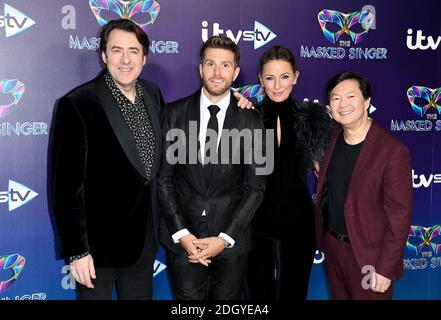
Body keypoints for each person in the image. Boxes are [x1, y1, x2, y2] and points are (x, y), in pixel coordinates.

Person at [50, 19, 164, 300]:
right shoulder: (77, 104)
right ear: (103, 55)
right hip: (96, 252)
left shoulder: (153, 94)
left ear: (144, 58)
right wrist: (78, 251)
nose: (125, 59)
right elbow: (65, 189)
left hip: (144, 243)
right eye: (116, 50)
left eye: (133, 51)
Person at [158, 35, 267, 300]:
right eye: (210, 64)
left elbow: (257, 188)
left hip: (232, 242)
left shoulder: (253, 120)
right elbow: (164, 179)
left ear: (236, 71)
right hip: (185, 241)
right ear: (200, 68)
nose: (217, 73)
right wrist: (183, 234)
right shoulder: (173, 114)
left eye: (226, 65)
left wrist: (224, 238)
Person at [315, 71, 413, 299]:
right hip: (333, 247)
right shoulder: (333, 137)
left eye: (351, 96)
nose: (343, 104)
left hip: (370, 257)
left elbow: (400, 215)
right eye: (335, 98)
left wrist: (385, 268)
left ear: (367, 101)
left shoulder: (392, 151)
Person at [245, 46, 331, 300]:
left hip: (298, 223)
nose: (278, 86)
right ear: (260, 79)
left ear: (296, 76)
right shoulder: (247, 116)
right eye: (270, 78)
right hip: (254, 223)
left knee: (294, 294)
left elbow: (323, 171)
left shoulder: (314, 118)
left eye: (284, 77)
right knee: (257, 296)